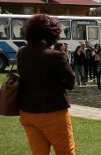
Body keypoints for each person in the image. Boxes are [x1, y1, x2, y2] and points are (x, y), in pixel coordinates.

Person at [17, 13, 76, 155]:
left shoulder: (22, 53)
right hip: (53, 112)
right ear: (52, 33)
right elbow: (71, 82)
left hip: (27, 112)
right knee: (66, 152)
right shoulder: (56, 55)